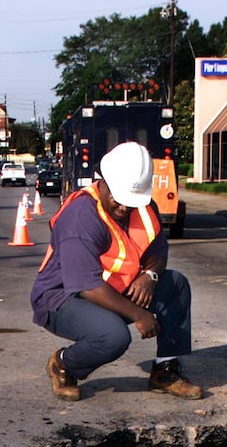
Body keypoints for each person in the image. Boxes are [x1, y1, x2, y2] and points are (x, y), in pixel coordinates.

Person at [31, 141, 202, 402]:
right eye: (118, 199)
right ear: (103, 182)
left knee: (175, 284)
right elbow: (86, 284)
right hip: (62, 297)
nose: (124, 209)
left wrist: (151, 276)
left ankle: (165, 371)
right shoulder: (81, 217)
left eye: (130, 203)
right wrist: (139, 314)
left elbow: (158, 249)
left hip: (111, 289)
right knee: (113, 337)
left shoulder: (142, 206)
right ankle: (64, 364)